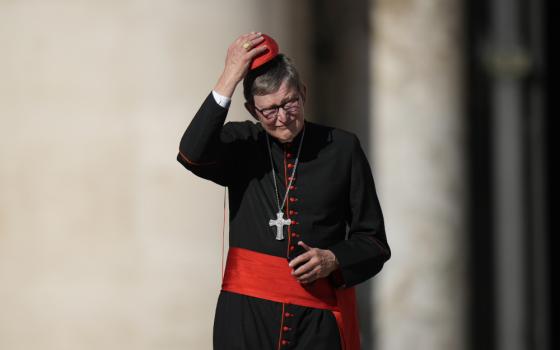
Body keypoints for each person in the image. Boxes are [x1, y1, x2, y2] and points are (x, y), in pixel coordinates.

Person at [177, 32, 390, 350]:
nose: (282, 117)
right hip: (245, 318)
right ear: (252, 111)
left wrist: (333, 258)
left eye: (290, 103)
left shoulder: (343, 148)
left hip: (316, 322)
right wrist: (230, 76)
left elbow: (373, 241)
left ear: (303, 93)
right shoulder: (243, 144)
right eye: (269, 110)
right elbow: (191, 153)